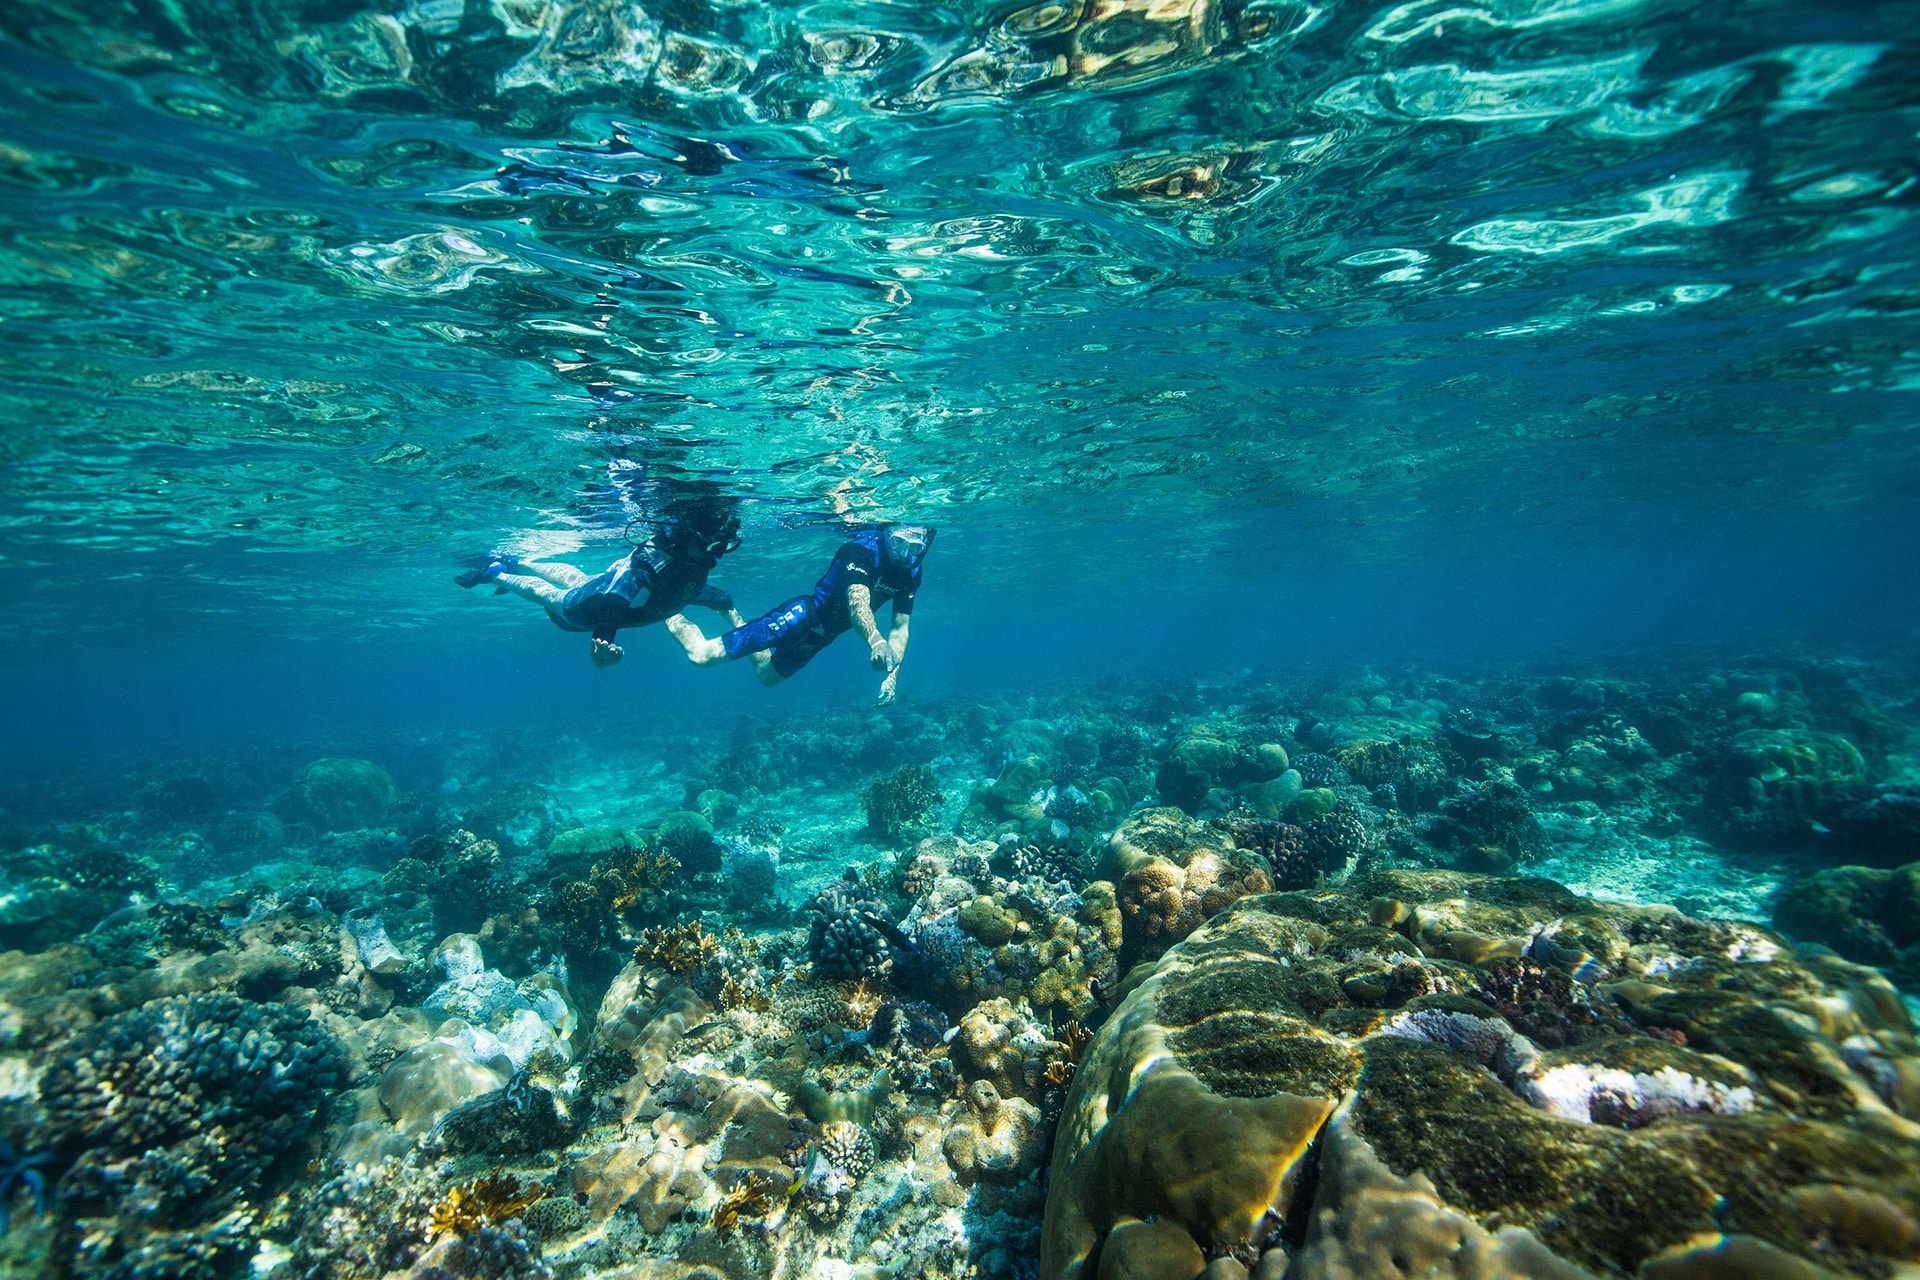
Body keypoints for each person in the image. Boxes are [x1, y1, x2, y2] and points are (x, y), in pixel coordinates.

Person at [456, 496, 746, 668]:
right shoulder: (647, 564)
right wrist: (603, 651)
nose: (716, 555)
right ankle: (496, 572)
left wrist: (724, 602)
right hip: (582, 608)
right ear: (690, 538)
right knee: (545, 594)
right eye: (712, 546)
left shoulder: (690, 558)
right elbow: (611, 608)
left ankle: (518, 562)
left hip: (603, 586)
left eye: (723, 546)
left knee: (577, 577)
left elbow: (688, 590)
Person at [666, 523, 933, 705]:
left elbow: (900, 627)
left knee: (767, 677)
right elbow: (857, 604)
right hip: (798, 618)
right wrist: (876, 641)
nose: (905, 554)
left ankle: (729, 611)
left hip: (821, 637)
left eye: (915, 546)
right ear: (886, 534)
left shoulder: (911, 571)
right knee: (701, 656)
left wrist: (892, 676)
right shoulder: (860, 551)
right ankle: (666, 610)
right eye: (899, 543)